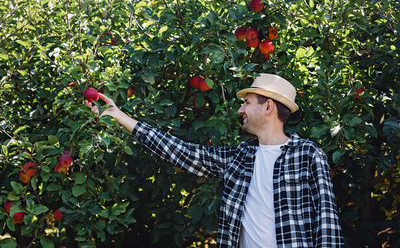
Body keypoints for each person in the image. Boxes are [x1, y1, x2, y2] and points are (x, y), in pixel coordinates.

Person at [85, 73, 343, 248]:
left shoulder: (308, 155)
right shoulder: (240, 157)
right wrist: (120, 117)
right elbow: (181, 152)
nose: (240, 109)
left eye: (247, 103)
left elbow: (327, 224)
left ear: (268, 107)